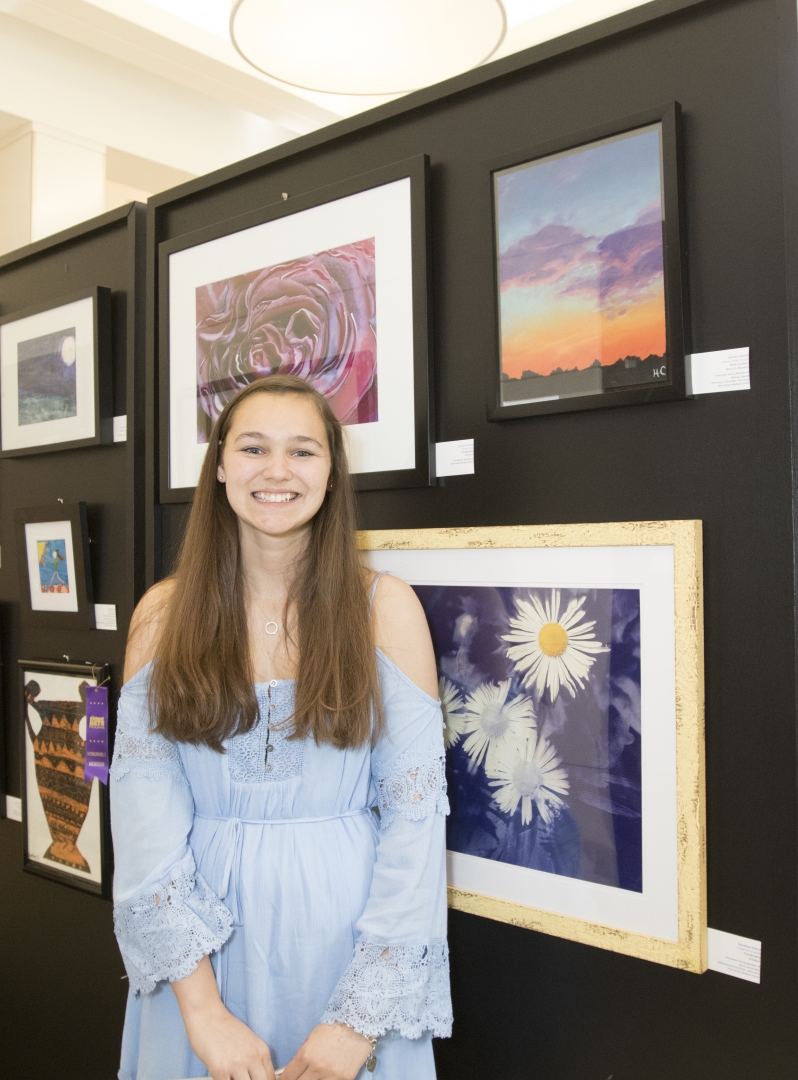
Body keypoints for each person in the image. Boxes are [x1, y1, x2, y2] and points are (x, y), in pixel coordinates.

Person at [110, 374, 452, 1080]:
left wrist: (356, 1024)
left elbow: (416, 827)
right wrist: (202, 1015)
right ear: (220, 466)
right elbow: (144, 834)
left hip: (346, 952)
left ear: (331, 473)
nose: (276, 471)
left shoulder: (387, 610)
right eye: (254, 448)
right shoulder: (161, 617)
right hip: (194, 966)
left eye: (302, 452)